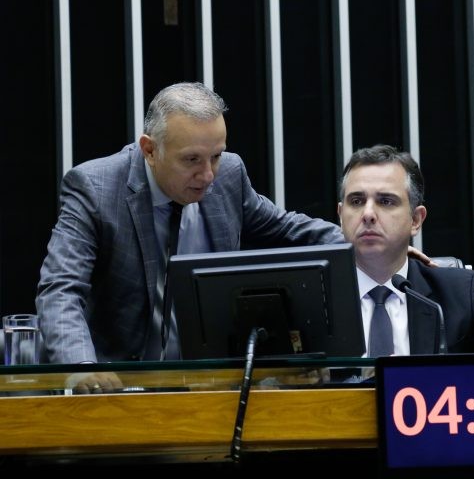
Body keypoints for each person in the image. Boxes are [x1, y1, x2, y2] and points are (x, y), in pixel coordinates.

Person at [35, 82, 432, 391]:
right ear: (149, 150)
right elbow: (60, 290)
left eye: (216, 155)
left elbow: (287, 229)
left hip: (214, 388)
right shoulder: (95, 187)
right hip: (120, 388)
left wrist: (364, 245)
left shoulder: (227, 176)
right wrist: (82, 370)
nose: (208, 174)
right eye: (191, 160)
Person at [337, 144, 474, 355]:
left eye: (386, 201)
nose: (368, 214)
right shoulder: (313, 298)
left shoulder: (458, 293)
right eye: (356, 201)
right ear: (341, 215)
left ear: (415, 220)